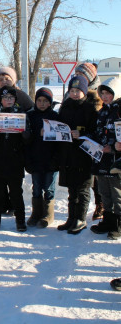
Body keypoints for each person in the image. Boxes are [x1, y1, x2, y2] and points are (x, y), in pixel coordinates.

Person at [0, 66, 34, 215]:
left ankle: (14, 204)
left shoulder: (21, 95)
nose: (4, 81)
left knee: (14, 176)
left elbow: (32, 113)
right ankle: (0, 204)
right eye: (0, 79)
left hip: (15, 144)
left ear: (13, 80)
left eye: (7, 78)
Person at [0, 86, 31, 232]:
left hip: (15, 159)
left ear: (15, 99)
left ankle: (20, 220)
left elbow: (29, 138)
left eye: (11, 98)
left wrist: (25, 134)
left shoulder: (21, 114)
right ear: (1, 100)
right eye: (5, 98)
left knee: (16, 192)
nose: (8, 100)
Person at [57, 75, 99, 234]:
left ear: (84, 92)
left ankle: (80, 219)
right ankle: (71, 218)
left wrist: (81, 133)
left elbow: (96, 132)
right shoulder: (65, 106)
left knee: (82, 189)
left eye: (78, 91)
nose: (74, 94)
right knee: (71, 190)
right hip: (68, 154)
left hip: (84, 155)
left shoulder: (90, 109)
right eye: (72, 90)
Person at [89, 77, 121, 240]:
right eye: (103, 93)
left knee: (117, 193)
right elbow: (99, 132)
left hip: (116, 160)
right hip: (101, 158)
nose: (105, 96)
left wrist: (115, 145)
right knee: (104, 192)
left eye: (109, 93)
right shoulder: (103, 111)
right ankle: (108, 221)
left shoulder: (119, 109)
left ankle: (118, 225)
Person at [74, 62, 104, 220]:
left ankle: (101, 205)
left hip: (94, 141)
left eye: (82, 74)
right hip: (77, 141)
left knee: (97, 177)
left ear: (90, 77)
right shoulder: (75, 89)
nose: (79, 76)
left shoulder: (98, 95)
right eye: (77, 73)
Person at [26, 87, 59, 228]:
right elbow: (26, 140)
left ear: (50, 103)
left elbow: (61, 139)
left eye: (45, 101)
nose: (42, 103)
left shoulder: (55, 117)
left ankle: (48, 214)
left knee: (49, 188)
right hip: (35, 159)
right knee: (37, 187)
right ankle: (36, 213)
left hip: (51, 159)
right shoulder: (31, 116)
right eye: (39, 100)